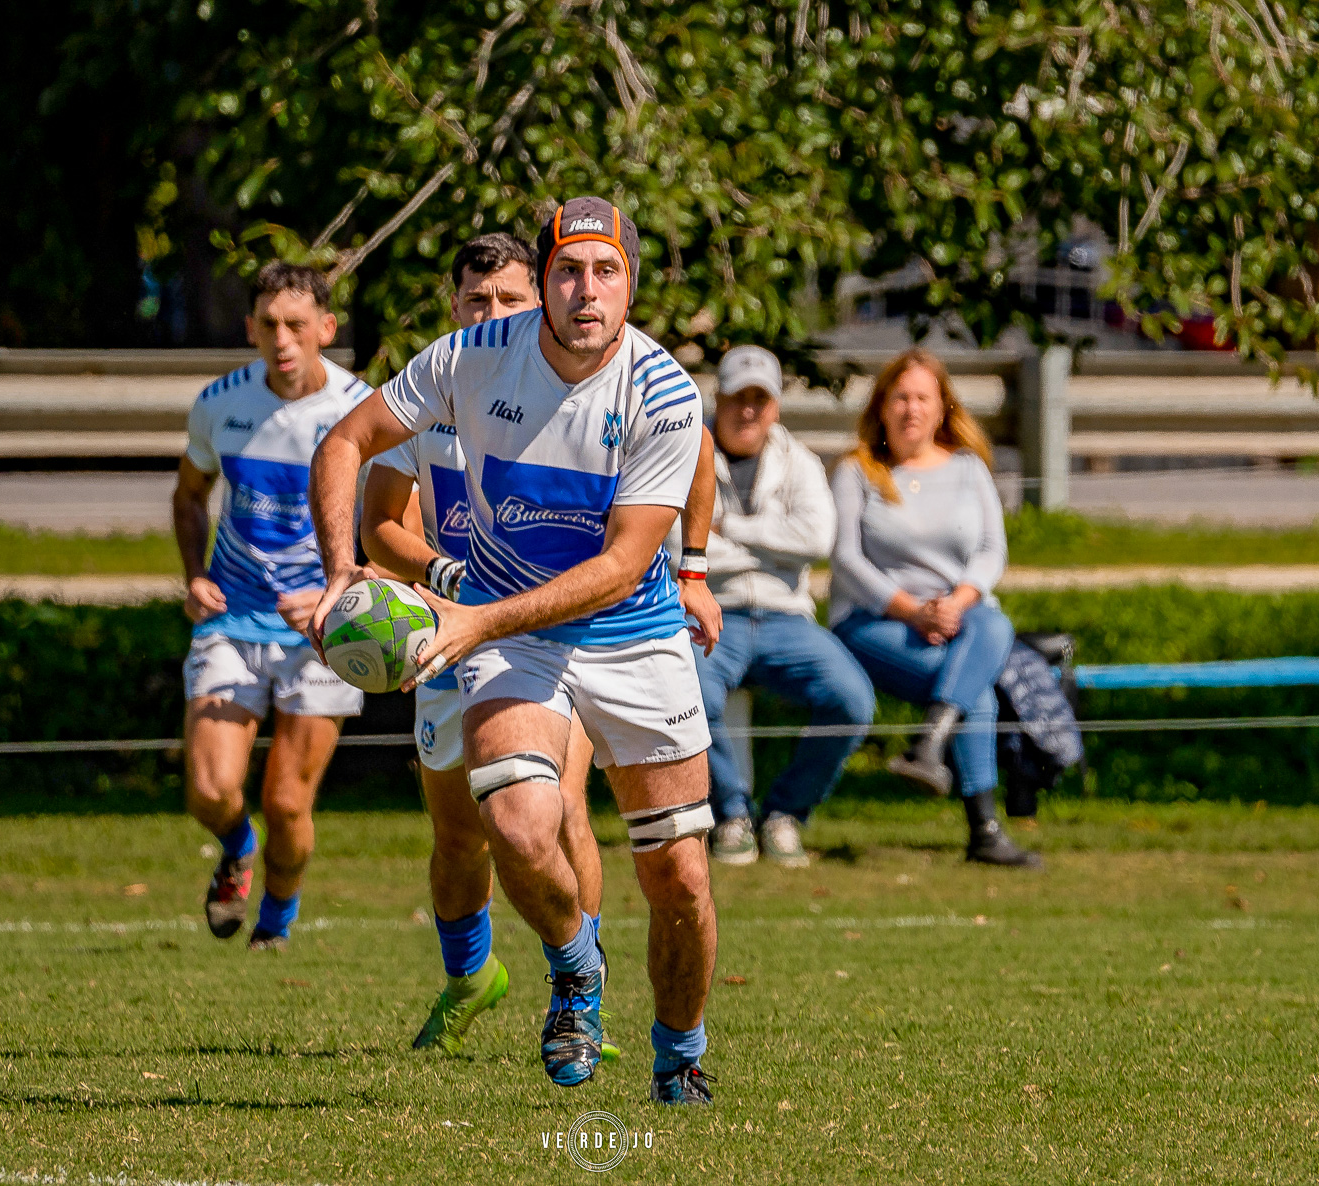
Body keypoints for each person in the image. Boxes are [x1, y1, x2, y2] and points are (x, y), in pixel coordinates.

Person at [308, 198, 718, 1104]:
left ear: (631, 286)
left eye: (605, 273)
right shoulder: (469, 356)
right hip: (514, 638)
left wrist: (478, 619)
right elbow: (346, 442)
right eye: (569, 271)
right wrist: (340, 573)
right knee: (517, 822)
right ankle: (576, 968)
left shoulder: (662, 391)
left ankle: (680, 1057)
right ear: (545, 282)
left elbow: (619, 567)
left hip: (633, 635)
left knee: (680, 875)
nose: (586, 292)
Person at [171, 262, 373, 951]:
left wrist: (339, 591)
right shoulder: (220, 403)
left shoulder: (362, 410)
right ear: (250, 329)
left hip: (325, 630)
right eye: (268, 324)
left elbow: (393, 524)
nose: (282, 339)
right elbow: (188, 496)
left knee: (288, 800)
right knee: (209, 789)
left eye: (296, 324)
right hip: (232, 619)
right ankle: (237, 847)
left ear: (326, 328)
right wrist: (194, 575)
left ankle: (275, 925)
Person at [828, 348, 1042, 869]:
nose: (911, 409)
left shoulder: (969, 469)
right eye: (900, 398)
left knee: (994, 623)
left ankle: (931, 742)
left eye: (923, 398)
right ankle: (983, 829)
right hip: (876, 620)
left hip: (961, 617)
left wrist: (956, 602)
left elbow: (992, 551)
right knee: (976, 692)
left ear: (943, 407)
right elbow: (846, 559)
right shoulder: (857, 471)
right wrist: (912, 611)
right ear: (882, 407)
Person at [696, 346, 876, 869]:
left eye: (760, 399)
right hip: (712, 613)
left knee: (851, 700)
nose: (748, 410)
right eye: (738, 398)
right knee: (689, 691)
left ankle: (786, 813)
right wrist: (773, 549)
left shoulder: (801, 461)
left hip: (786, 618)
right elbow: (679, 545)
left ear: (775, 406)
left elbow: (816, 539)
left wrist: (728, 529)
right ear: (719, 398)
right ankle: (731, 813)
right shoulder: (686, 454)